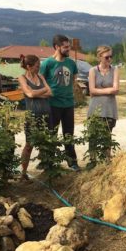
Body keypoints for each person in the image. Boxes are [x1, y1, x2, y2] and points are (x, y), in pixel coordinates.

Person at [40, 34, 80, 171]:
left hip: (68, 104)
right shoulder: (47, 63)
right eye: (65, 47)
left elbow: (74, 81)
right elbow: (40, 81)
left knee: (68, 134)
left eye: (69, 46)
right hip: (52, 104)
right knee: (51, 134)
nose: (68, 49)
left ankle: (72, 162)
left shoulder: (71, 63)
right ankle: (49, 163)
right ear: (57, 47)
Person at [18, 54, 52, 180]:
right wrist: (39, 92)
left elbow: (50, 92)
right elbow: (30, 93)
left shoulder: (41, 76)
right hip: (32, 116)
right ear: (29, 67)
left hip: (46, 115)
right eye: (37, 66)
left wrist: (35, 93)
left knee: (47, 143)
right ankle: (23, 173)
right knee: (29, 144)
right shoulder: (22, 78)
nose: (39, 68)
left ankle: (47, 170)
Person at [87, 45, 119, 163]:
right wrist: (108, 90)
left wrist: (99, 91)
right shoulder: (93, 70)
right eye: (107, 57)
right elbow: (91, 90)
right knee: (93, 136)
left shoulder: (115, 70)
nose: (109, 59)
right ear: (100, 57)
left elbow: (116, 89)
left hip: (109, 109)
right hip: (95, 109)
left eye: (111, 56)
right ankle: (92, 161)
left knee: (107, 136)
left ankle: (107, 161)